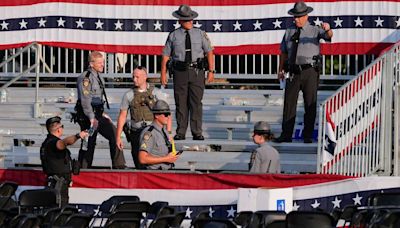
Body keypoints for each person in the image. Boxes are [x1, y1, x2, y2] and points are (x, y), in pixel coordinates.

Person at [274, 1, 333, 143]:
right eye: (295, 16)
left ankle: (307, 135)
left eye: (299, 16)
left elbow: (329, 36)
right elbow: (283, 52)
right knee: (289, 105)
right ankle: (286, 135)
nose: (296, 19)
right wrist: (280, 69)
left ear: (306, 16)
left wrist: (328, 29)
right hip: (292, 71)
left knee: (309, 104)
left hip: (309, 71)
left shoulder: (314, 30)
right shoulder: (289, 31)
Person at [161, 4, 215, 141]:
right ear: (179, 20)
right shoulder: (173, 35)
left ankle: (197, 132)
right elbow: (166, 55)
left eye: (191, 19)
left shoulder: (200, 33)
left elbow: (209, 52)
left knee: (196, 103)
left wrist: (211, 71)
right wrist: (163, 73)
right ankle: (181, 132)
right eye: (186, 20)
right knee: (181, 103)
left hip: (197, 72)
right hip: (180, 72)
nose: (190, 22)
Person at [75, 51, 126, 168]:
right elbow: (85, 100)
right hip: (88, 117)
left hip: (98, 114)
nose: (102, 65)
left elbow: (97, 99)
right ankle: (83, 169)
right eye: (99, 63)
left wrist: (102, 114)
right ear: (91, 64)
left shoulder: (97, 76)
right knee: (88, 142)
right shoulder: (86, 78)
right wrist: (92, 118)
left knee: (114, 134)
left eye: (103, 62)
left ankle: (119, 165)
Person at [116, 66, 166, 169]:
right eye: (133, 77)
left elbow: (165, 113)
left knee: (152, 163)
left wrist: (168, 133)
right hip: (136, 132)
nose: (134, 79)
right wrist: (118, 136)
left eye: (137, 77)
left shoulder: (156, 93)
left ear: (145, 77)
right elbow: (122, 116)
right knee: (137, 160)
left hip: (152, 133)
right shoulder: (129, 95)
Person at [40, 116, 89, 206]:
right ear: (59, 129)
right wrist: (78, 136)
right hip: (57, 184)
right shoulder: (52, 142)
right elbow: (62, 143)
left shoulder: (47, 143)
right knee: (59, 209)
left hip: (58, 183)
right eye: (62, 127)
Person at [138, 100, 179, 170]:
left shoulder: (164, 132)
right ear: (156, 115)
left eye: (169, 114)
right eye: (165, 114)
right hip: (155, 173)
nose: (168, 117)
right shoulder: (149, 133)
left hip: (166, 171)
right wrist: (166, 159)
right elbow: (142, 158)